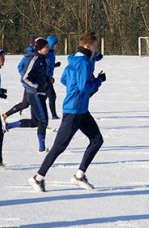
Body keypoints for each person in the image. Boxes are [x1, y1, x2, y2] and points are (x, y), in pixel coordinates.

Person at [28, 32, 106, 192]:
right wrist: (98, 81)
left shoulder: (76, 60)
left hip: (81, 110)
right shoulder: (83, 62)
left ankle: (79, 176)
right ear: (87, 46)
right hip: (74, 110)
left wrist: (77, 86)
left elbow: (64, 79)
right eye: (95, 46)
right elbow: (84, 86)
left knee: (97, 140)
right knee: (59, 146)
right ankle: (37, 177)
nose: (96, 49)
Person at [5, 37, 50, 152]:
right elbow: (24, 78)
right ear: (40, 48)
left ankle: (9, 125)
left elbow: (39, 75)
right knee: (43, 120)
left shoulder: (42, 58)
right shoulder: (34, 59)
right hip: (34, 94)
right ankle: (42, 149)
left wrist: (48, 79)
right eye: (46, 47)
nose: (48, 49)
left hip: (40, 93)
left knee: (35, 122)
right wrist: (36, 86)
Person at [1, 37, 37, 128]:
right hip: (29, 84)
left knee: (25, 104)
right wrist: (26, 76)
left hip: (33, 84)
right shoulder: (29, 55)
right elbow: (20, 67)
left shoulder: (37, 54)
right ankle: (38, 122)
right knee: (28, 104)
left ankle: (5, 116)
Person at [45, 35, 61, 119]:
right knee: (52, 96)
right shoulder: (46, 53)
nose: (57, 45)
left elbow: (49, 65)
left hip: (48, 78)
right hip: (44, 79)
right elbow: (42, 64)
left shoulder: (51, 53)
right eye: (56, 43)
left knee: (47, 97)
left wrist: (55, 65)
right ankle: (54, 115)